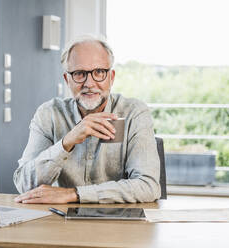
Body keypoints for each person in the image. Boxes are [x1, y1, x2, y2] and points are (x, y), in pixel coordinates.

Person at [13, 35, 161, 204]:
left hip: (118, 222)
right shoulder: (49, 114)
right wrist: (66, 142)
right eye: (79, 74)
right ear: (67, 79)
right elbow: (24, 184)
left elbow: (148, 186)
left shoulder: (134, 113)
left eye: (99, 72)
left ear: (111, 77)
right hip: (61, 222)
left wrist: (74, 194)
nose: (89, 83)